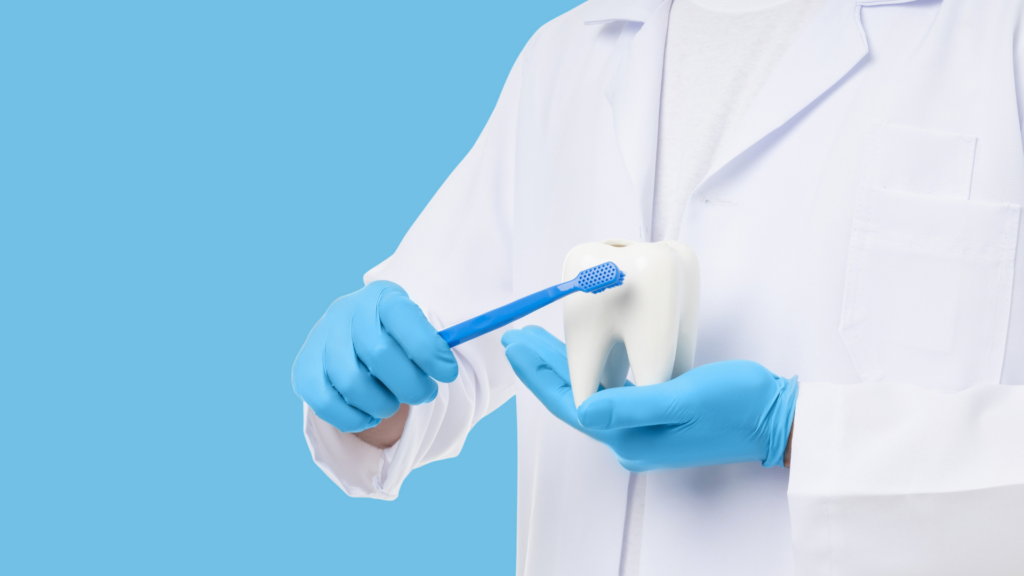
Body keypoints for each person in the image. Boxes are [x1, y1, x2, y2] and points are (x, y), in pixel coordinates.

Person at [292, 0, 1024, 573]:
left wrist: (799, 430)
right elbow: (433, 351)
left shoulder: (998, 35)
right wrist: (370, 390)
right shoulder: (568, 55)